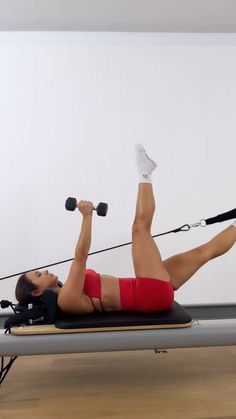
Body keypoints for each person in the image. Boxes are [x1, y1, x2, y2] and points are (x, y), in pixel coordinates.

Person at [15, 144, 236, 314]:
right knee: (140, 228)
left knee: (203, 252)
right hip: (149, 295)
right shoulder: (66, 300)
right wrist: (87, 216)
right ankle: (145, 172)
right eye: (38, 275)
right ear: (35, 291)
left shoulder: (68, 290)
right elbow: (80, 258)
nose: (43, 271)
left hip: (147, 287)